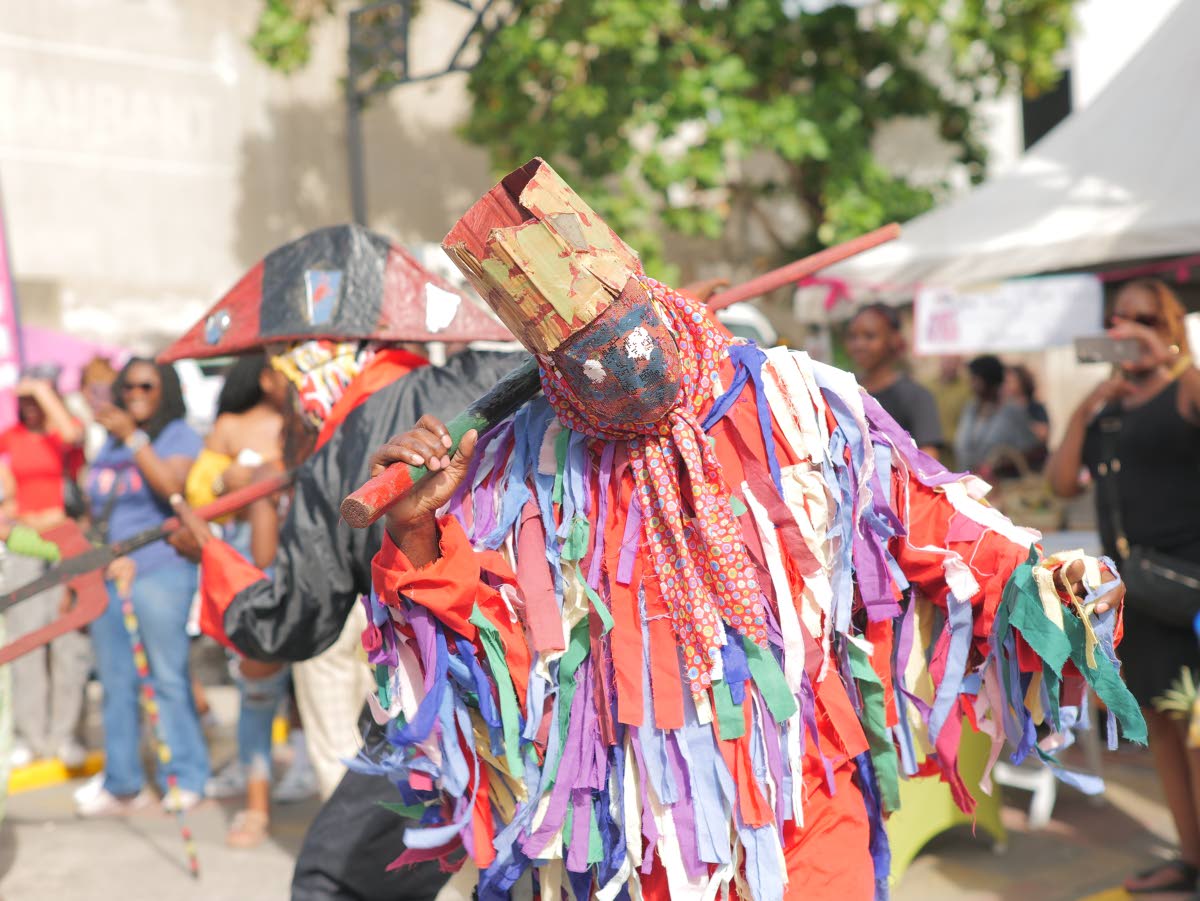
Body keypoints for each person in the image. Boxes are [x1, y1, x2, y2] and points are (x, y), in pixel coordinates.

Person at [361, 159, 1140, 899]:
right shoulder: (530, 467)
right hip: (650, 837)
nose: (622, 368)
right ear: (556, 375)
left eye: (628, 333)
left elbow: (921, 513)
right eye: (589, 362)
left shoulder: (792, 404)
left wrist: (1042, 585)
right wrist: (420, 534)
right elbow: (497, 655)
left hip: (809, 795)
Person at [158, 223, 525, 899]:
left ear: (317, 356)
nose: (281, 386)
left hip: (445, 718)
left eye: (284, 362)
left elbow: (289, 624)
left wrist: (210, 552)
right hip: (561, 698)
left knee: (335, 882)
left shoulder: (342, 450)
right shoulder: (494, 373)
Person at [1048, 277, 1200, 897]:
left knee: (1195, 727)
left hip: (1189, 584)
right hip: (1136, 588)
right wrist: (1087, 404)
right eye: (1118, 319)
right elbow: (1061, 485)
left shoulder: (1187, 387)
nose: (1128, 329)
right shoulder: (1107, 408)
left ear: (1168, 329)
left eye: (1144, 319)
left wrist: (1171, 362)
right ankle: (1190, 857)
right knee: (1161, 725)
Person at [186, 352, 312, 847]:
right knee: (257, 687)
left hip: (305, 563)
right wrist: (230, 484)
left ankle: (304, 772)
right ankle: (257, 806)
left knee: (310, 692)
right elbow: (201, 491)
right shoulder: (232, 424)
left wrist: (271, 476)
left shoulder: (312, 423)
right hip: (252, 566)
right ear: (264, 377)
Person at [77, 358, 209, 816]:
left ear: (165, 390)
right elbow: (97, 508)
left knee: (167, 677)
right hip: (110, 573)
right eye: (127, 385)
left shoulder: (179, 435)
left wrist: (135, 440)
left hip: (160, 570)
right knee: (115, 681)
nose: (135, 392)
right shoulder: (108, 443)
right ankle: (122, 782)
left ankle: (187, 776)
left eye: (146, 385)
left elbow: (171, 485)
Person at [0, 366, 88, 768]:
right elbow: (9, 496)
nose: (30, 408)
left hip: (64, 542)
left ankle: (64, 733)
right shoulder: (10, 439)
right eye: (24, 401)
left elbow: (73, 434)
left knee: (67, 642)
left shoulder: (62, 437)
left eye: (36, 401)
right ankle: (30, 735)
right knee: (26, 640)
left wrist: (39, 386)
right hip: (24, 544)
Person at [845, 303, 943, 456]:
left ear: (894, 340)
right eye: (853, 337)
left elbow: (928, 458)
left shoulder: (915, 396)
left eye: (869, 336)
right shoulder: (844, 391)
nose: (859, 344)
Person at [954, 354, 1037, 474]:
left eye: (975, 379)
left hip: (1002, 487)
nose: (971, 384)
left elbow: (1030, 450)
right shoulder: (970, 409)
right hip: (966, 484)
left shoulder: (1012, 412)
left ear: (989, 381)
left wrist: (1001, 464)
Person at [1002, 363, 1050, 469]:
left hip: (1034, 465)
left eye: (1010, 381)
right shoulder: (1004, 410)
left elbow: (1043, 434)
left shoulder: (1035, 407)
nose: (1006, 385)